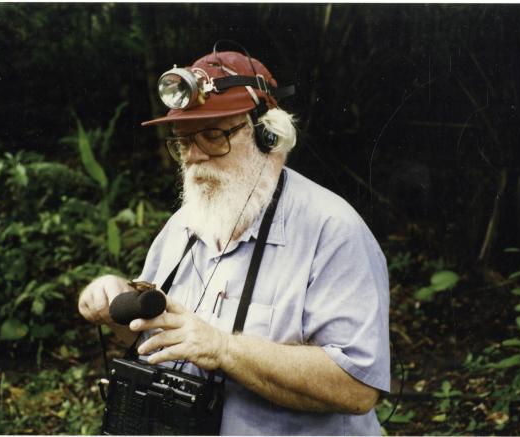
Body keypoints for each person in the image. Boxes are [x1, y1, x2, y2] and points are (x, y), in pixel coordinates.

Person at [79, 46, 390, 435]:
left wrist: (223, 349)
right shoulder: (185, 224)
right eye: (183, 140)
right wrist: (117, 304)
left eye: (212, 136)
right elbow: (157, 339)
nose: (194, 156)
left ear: (269, 137)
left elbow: (358, 388)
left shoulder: (332, 229)